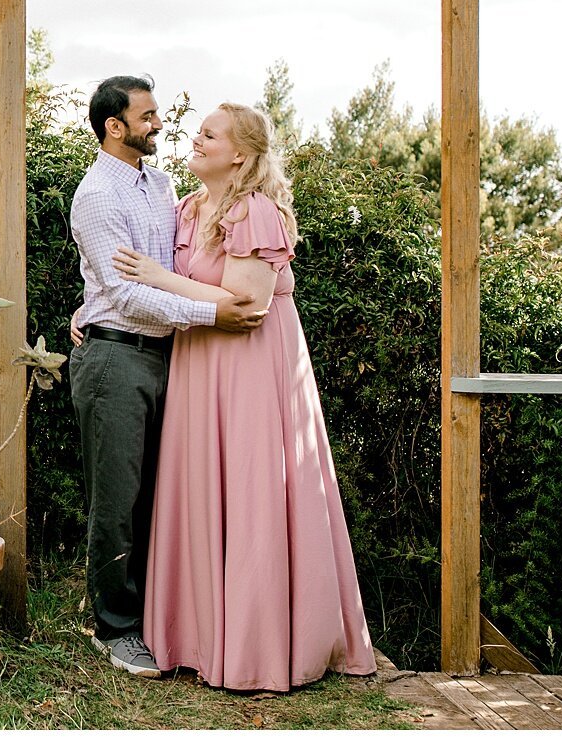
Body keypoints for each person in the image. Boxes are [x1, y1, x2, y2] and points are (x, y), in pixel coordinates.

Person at [113, 102, 376, 692]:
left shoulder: (253, 212)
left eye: (211, 134)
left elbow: (246, 306)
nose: (196, 139)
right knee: (200, 491)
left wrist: (157, 280)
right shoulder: (188, 208)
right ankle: (201, 641)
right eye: (199, 131)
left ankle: (259, 646)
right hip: (198, 365)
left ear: (240, 153)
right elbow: (174, 293)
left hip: (252, 372)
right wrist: (92, 310)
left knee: (254, 493)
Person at [68, 76, 267, 678]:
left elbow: (171, 268)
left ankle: (156, 617)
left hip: (170, 359)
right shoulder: (98, 195)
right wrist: (213, 313)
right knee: (117, 500)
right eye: (148, 117)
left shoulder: (161, 185)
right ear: (115, 128)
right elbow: (126, 295)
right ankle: (116, 628)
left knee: (164, 495)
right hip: (117, 359)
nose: (160, 125)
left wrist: (89, 300)